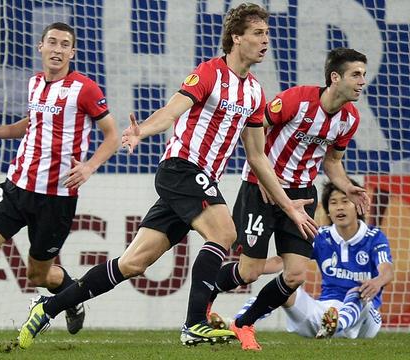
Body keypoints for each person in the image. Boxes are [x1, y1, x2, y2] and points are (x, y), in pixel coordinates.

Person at [17, 3, 318, 349]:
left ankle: (48, 308)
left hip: (198, 181)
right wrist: (141, 132)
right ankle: (194, 324)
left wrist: (291, 208)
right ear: (236, 37)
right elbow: (172, 110)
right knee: (224, 231)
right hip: (181, 169)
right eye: (258, 33)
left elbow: (258, 157)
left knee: (132, 263)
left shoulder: (254, 92)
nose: (266, 40)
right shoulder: (209, 74)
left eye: (267, 33)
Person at [0, 21, 119, 339]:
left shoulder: (85, 89)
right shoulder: (35, 84)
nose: (57, 49)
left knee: (37, 275)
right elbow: (33, 123)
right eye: (52, 42)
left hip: (55, 198)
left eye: (64, 44)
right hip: (16, 187)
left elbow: (112, 134)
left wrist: (89, 167)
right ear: (40, 47)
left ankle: (71, 295)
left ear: (73, 51)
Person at [206, 47, 370, 351]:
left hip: (302, 197)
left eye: (363, 74)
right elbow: (253, 133)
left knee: (295, 274)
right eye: (355, 74)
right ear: (335, 77)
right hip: (262, 189)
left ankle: (244, 324)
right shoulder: (296, 100)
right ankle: (203, 296)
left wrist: (347, 187)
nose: (362, 81)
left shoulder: (350, 119)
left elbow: (332, 163)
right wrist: (264, 176)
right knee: (249, 271)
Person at [234, 179, 393, 339]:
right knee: (280, 288)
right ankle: (238, 323)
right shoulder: (321, 236)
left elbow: (387, 270)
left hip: (364, 321)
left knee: (358, 292)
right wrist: (247, 269)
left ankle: (336, 325)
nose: (339, 207)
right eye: (333, 202)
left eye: (345, 201)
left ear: (358, 206)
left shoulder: (374, 237)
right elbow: (280, 262)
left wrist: (377, 282)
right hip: (323, 315)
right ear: (328, 211)